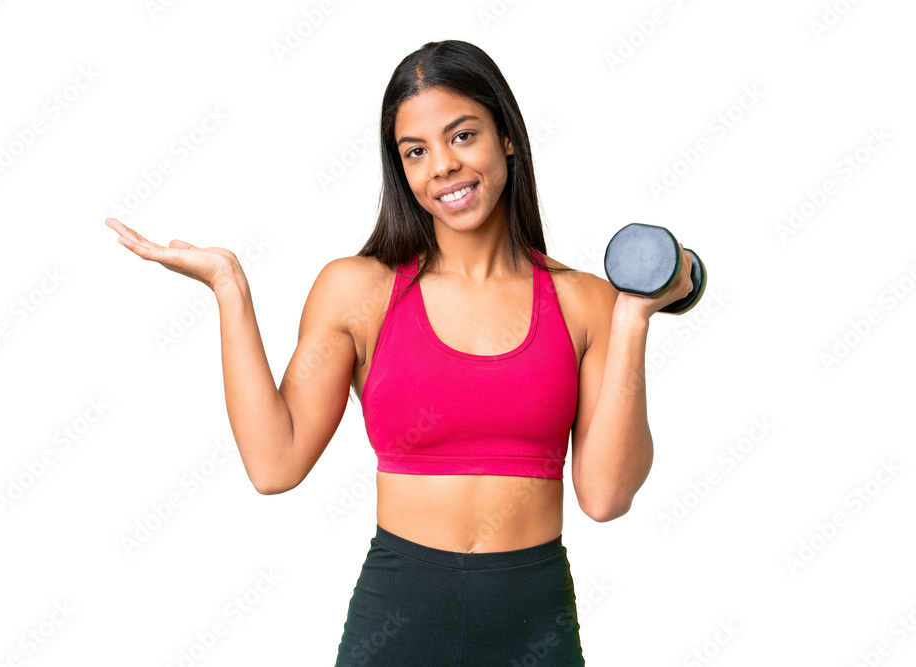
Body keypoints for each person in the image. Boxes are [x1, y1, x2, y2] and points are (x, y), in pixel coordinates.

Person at [104, 39, 692, 666]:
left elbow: (606, 498)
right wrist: (229, 287)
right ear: (401, 169)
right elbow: (274, 465)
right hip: (397, 624)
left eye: (462, 136)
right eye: (416, 151)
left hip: (535, 628)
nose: (442, 165)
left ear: (507, 138)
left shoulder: (585, 302)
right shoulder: (359, 291)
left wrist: (632, 320)